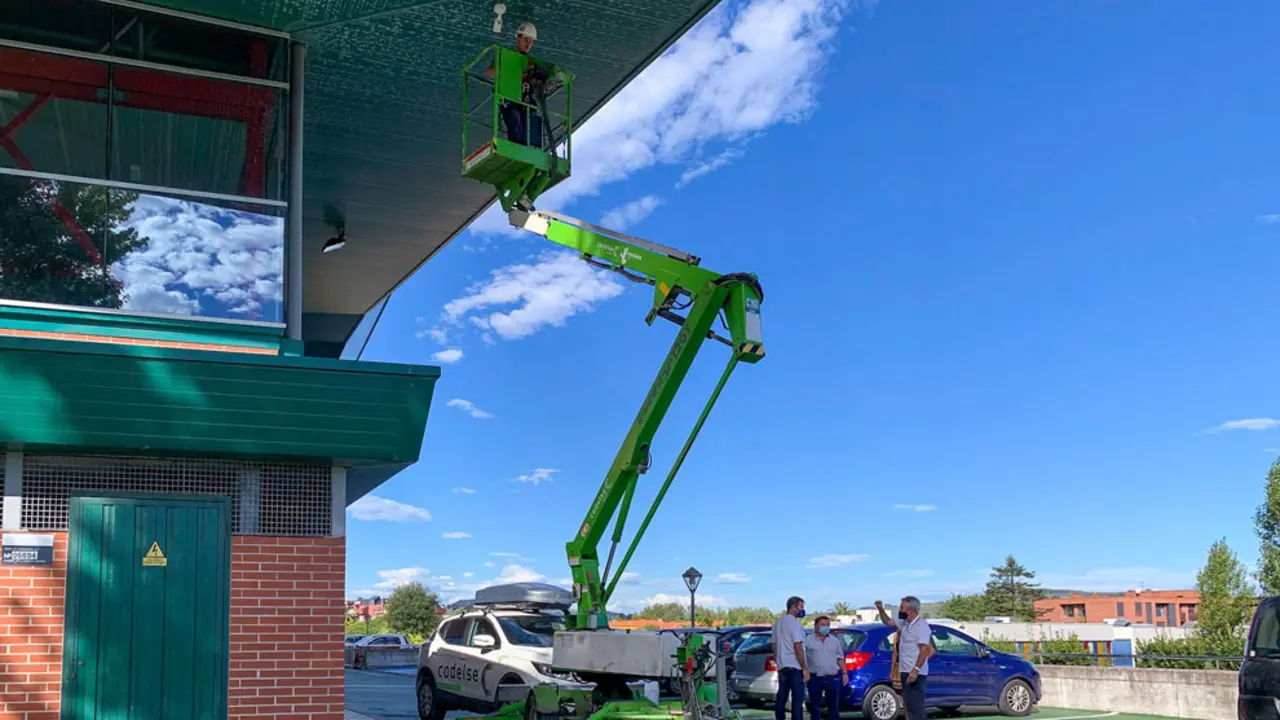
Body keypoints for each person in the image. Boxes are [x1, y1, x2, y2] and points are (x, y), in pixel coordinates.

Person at [484, 21, 544, 148]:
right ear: (518, 38)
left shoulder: (532, 63)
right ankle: (517, 150)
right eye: (526, 39)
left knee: (531, 129)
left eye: (531, 41)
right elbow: (489, 72)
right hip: (510, 99)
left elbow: (543, 83)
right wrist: (510, 71)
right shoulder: (505, 56)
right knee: (515, 124)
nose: (528, 44)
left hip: (527, 101)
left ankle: (526, 150)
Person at [875, 597, 933, 720]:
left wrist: (916, 669)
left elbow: (924, 649)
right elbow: (888, 621)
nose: (899, 610)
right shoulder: (904, 623)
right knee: (907, 705)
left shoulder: (921, 626)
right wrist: (880, 609)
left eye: (902, 607)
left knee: (916, 706)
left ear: (911, 610)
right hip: (904, 671)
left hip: (916, 673)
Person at [771, 596, 808, 720]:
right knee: (797, 701)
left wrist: (779, 662)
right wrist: (804, 668)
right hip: (795, 666)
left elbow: (774, 646)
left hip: (782, 667)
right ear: (794, 607)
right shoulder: (795, 623)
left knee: (781, 699)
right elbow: (798, 646)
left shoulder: (777, 623)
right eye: (801, 607)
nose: (802, 610)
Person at [803, 615, 847, 720]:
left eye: (827, 625)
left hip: (832, 678)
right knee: (815, 708)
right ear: (815, 626)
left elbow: (840, 658)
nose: (825, 627)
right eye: (822, 625)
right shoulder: (807, 640)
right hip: (815, 678)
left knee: (833, 708)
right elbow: (802, 657)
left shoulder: (834, 641)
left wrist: (845, 673)